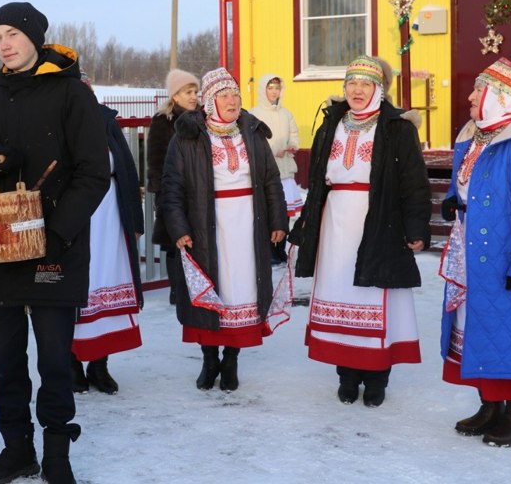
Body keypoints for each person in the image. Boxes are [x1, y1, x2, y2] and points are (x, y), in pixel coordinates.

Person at [0, 2, 109, 484]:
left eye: (12, 34)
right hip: (1, 245)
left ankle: (58, 451)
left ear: (35, 37)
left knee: (53, 358)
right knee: (6, 359)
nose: (4, 44)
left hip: (55, 247)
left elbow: (93, 172)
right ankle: (17, 449)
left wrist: (58, 231)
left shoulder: (72, 95)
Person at [287, 55, 430, 407]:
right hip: (335, 224)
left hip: (380, 220)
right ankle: (347, 375)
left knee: (374, 295)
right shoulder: (331, 124)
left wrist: (416, 226)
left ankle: (378, 377)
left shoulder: (397, 127)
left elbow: (414, 182)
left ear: (379, 88)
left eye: (366, 84)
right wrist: (306, 226)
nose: (357, 90)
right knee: (339, 293)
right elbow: (318, 181)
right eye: (352, 83)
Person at [438, 58, 511, 447]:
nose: (470, 97)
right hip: (472, 251)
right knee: (476, 326)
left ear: (500, 97)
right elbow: (470, 181)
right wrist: (455, 200)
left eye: (478, 90)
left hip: (510, 256)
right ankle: (490, 405)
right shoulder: (475, 134)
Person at [161, 67, 288, 392]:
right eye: (224, 95)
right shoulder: (186, 137)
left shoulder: (253, 132)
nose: (232, 101)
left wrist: (277, 220)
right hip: (206, 226)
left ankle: (231, 359)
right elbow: (171, 188)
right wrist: (178, 228)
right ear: (209, 101)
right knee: (212, 291)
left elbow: (271, 180)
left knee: (241, 290)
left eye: (235, 95)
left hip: (248, 226)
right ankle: (209, 358)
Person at [70, 71, 144, 395]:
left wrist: (136, 222)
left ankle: (100, 365)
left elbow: (126, 168)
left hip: (111, 214)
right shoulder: (60, 124)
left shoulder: (107, 121)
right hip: (77, 216)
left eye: (88, 88)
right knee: (77, 290)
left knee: (108, 283)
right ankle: (72, 363)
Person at [146, 68, 199, 303]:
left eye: (195, 91)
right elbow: (155, 162)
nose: (194, 96)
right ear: (174, 96)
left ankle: (195, 290)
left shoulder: (203, 119)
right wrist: (162, 197)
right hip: (173, 193)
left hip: (199, 193)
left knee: (197, 244)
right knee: (174, 244)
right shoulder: (162, 122)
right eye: (188, 91)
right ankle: (177, 291)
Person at [249, 73, 303, 264]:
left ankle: (281, 248)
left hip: (285, 169)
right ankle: (269, 250)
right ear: (263, 90)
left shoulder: (286, 113)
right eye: (270, 88)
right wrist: (271, 152)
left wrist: (292, 145)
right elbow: (252, 141)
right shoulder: (254, 113)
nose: (274, 92)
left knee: (285, 211)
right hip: (266, 172)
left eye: (277, 88)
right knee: (269, 210)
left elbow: (294, 133)